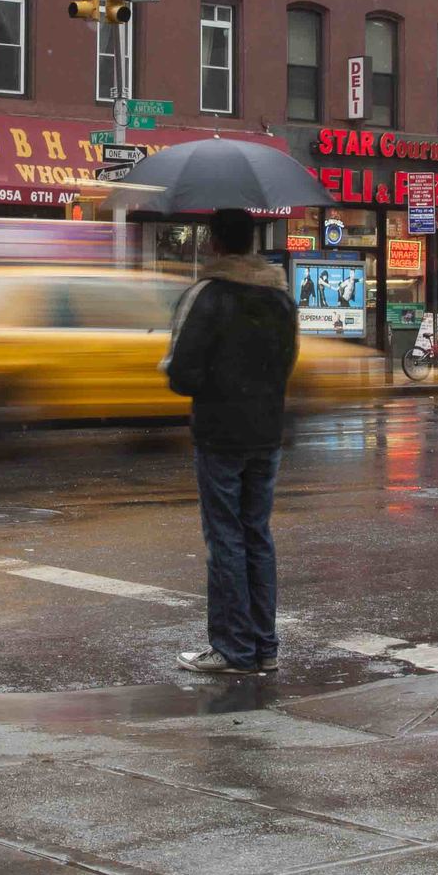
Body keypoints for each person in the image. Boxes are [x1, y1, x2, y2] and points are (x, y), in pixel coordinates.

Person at [163, 208, 299, 674]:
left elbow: (182, 374)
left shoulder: (206, 295)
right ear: (252, 242)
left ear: (215, 243)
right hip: (267, 432)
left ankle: (233, 649)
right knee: (257, 534)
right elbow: (287, 363)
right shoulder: (280, 298)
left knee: (225, 538)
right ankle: (265, 647)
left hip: (220, 434)